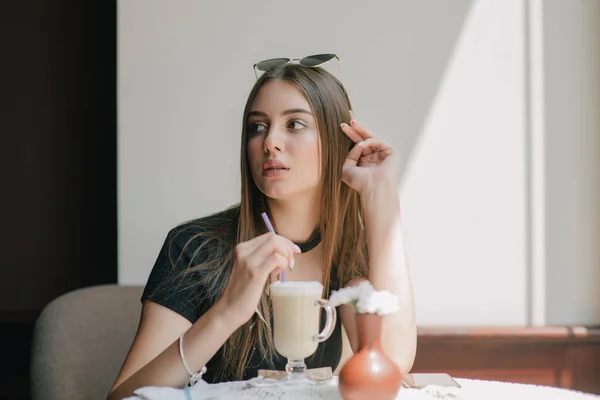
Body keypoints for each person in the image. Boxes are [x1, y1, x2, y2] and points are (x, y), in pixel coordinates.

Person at [108, 60, 417, 399]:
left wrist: (381, 198)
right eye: (257, 127)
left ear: (336, 140)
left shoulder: (344, 249)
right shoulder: (193, 247)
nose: (270, 142)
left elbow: (391, 361)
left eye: (295, 124)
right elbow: (124, 398)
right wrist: (227, 312)